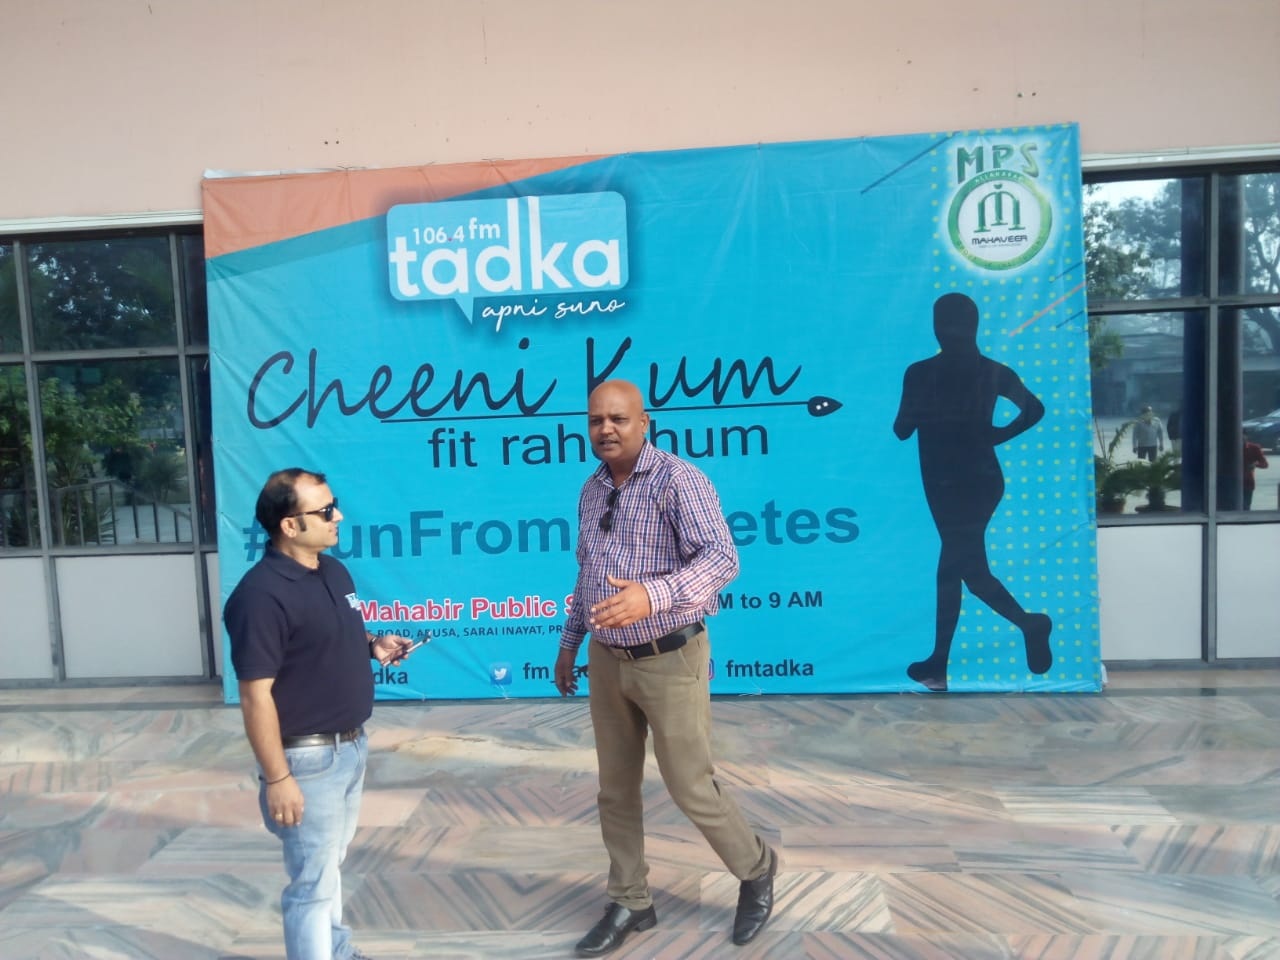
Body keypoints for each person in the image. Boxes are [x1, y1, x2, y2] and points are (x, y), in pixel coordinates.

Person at [554, 380, 777, 957]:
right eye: (596, 420)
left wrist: (651, 595)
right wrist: (570, 644)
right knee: (615, 789)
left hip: (670, 657)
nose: (606, 429)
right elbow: (588, 572)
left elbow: (723, 558)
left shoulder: (678, 480)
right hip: (608, 660)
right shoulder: (591, 489)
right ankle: (630, 899)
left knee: (689, 785)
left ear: (644, 422)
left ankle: (757, 868)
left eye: (618, 419)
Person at [224, 468, 414, 960]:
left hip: (350, 749)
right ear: (290, 525)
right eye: (325, 510)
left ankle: (338, 950)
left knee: (327, 870)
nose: (338, 517)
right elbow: (255, 697)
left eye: (335, 505)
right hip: (306, 763)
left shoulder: (332, 571)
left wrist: (374, 645)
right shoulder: (259, 597)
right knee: (311, 883)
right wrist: (278, 778)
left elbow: (332, 634)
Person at [893, 293, 1053, 692]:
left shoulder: (923, 373)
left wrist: (994, 434)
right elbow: (1033, 409)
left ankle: (940, 663)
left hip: (961, 480)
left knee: (951, 570)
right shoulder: (989, 371)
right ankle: (1028, 624)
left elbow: (902, 428)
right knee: (969, 571)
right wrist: (995, 434)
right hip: (964, 479)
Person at [1243, 439, 1269, 510]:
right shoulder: (1228, 447)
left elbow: (1265, 464)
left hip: (1247, 482)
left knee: (1246, 506)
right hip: (1232, 482)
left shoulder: (1254, 448)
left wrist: (1255, 464)